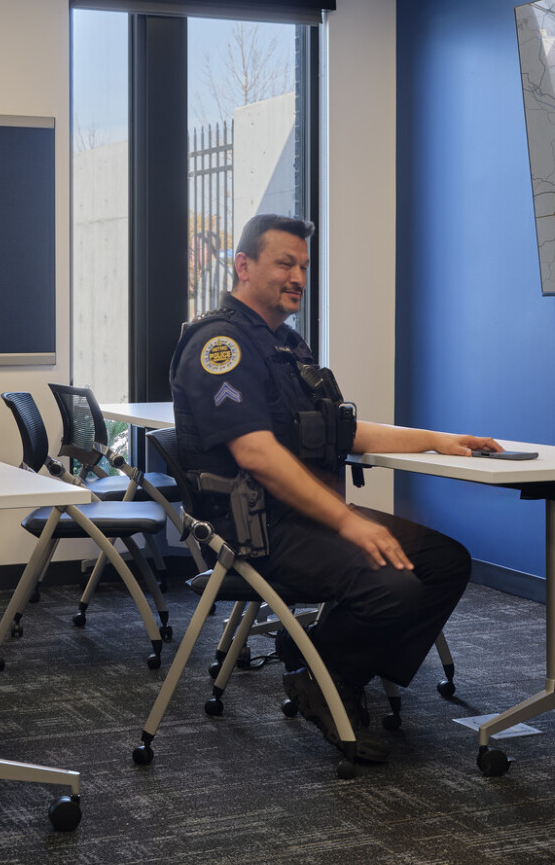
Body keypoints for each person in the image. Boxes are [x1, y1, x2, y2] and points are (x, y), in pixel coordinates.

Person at [171, 213, 497, 764]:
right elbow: (258, 454)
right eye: (284, 263)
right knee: (392, 586)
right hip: (254, 531)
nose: (298, 276)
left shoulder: (285, 346)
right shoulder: (219, 345)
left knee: (445, 562)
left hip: (302, 518)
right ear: (243, 266)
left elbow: (341, 429)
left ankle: (326, 666)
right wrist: (350, 521)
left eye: (303, 265)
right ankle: (326, 677)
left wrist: (437, 439)